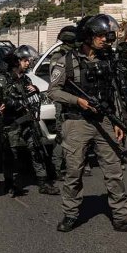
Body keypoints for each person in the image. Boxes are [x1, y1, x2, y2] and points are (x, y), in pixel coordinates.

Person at [48, 14, 127, 233]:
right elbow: (54, 91)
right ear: (88, 36)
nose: (106, 39)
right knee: (74, 171)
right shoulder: (66, 61)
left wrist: (116, 120)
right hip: (77, 122)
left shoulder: (107, 59)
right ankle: (70, 214)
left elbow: (113, 91)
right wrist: (77, 100)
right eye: (101, 35)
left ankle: (122, 217)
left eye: (107, 35)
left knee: (114, 169)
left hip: (104, 120)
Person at [0, 51, 60, 197]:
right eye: (24, 61)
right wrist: (13, 103)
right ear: (16, 62)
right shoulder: (3, 79)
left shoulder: (24, 79)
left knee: (37, 148)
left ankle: (43, 182)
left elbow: (32, 96)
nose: (28, 63)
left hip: (27, 119)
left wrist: (36, 90)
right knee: (10, 154)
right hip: (11, 122)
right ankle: (9, 184)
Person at [50, 25, 80, 178]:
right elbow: (56, 83)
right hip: (62, 102)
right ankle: (56, 168)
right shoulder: (59, 57)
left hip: (74, 101)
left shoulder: (75, 55)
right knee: (61, 135)